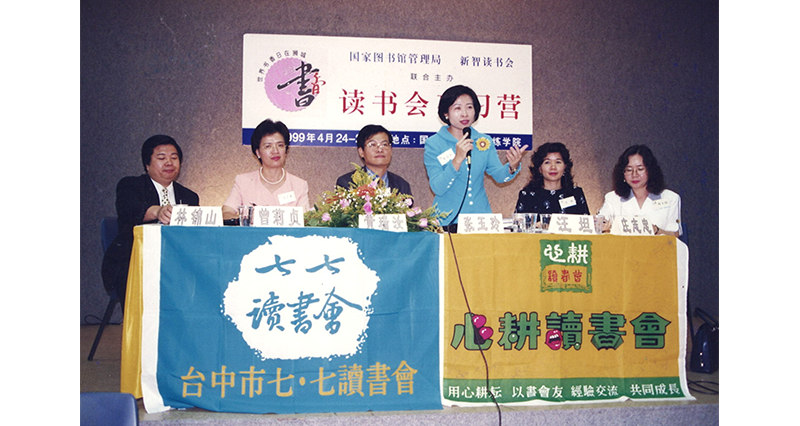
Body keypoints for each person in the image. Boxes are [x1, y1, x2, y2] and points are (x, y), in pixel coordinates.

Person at [101, 135, 200, 306]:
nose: (169, 162)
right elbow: (129, 212)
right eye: (161, 158)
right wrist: (158, 211)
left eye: (174, 158)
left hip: (175, 261)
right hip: (135, 260)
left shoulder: (189, 196)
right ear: (147, 165)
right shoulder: (130, 186)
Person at [423, 85, 528, 231]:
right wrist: (457, 160)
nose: (465, 114)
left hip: (481, 219)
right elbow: (437, 187)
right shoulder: (434, 143)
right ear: (446, 113)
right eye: (457, 108)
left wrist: (512, 167)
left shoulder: (483, 141)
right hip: (447, 220)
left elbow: (498, 176)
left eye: (469, 107)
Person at [222, 119, 309, 218]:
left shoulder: (299, 185)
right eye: (268, 146)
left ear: (286, 150)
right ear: (258, 152)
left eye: (280, 145)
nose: (275, 151)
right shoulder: (243, 182)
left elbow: (305, 221)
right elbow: (226, 213)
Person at [598, 144, 682, 236]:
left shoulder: (670, 198)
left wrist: (656, 230)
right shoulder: (612, 198)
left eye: (640, 169)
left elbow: (675, 235)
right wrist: (603, 227)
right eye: (629, 170)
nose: (634, 175)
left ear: (650, 171)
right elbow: (601, 224)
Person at [335, 124, 412, 196]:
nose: (379, 149)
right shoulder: (347, 183)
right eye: (372, 145)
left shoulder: (402, 185)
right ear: (361, 152)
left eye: (384, 144)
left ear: (391, 150)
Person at [514, 142, 590, 215]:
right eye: (547, 162)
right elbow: (519, 225)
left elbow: (586, 223)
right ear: (540, 169)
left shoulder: (576, 193)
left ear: (565, 167)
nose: (553, 167)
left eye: (558, 162)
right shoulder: (527, 195)